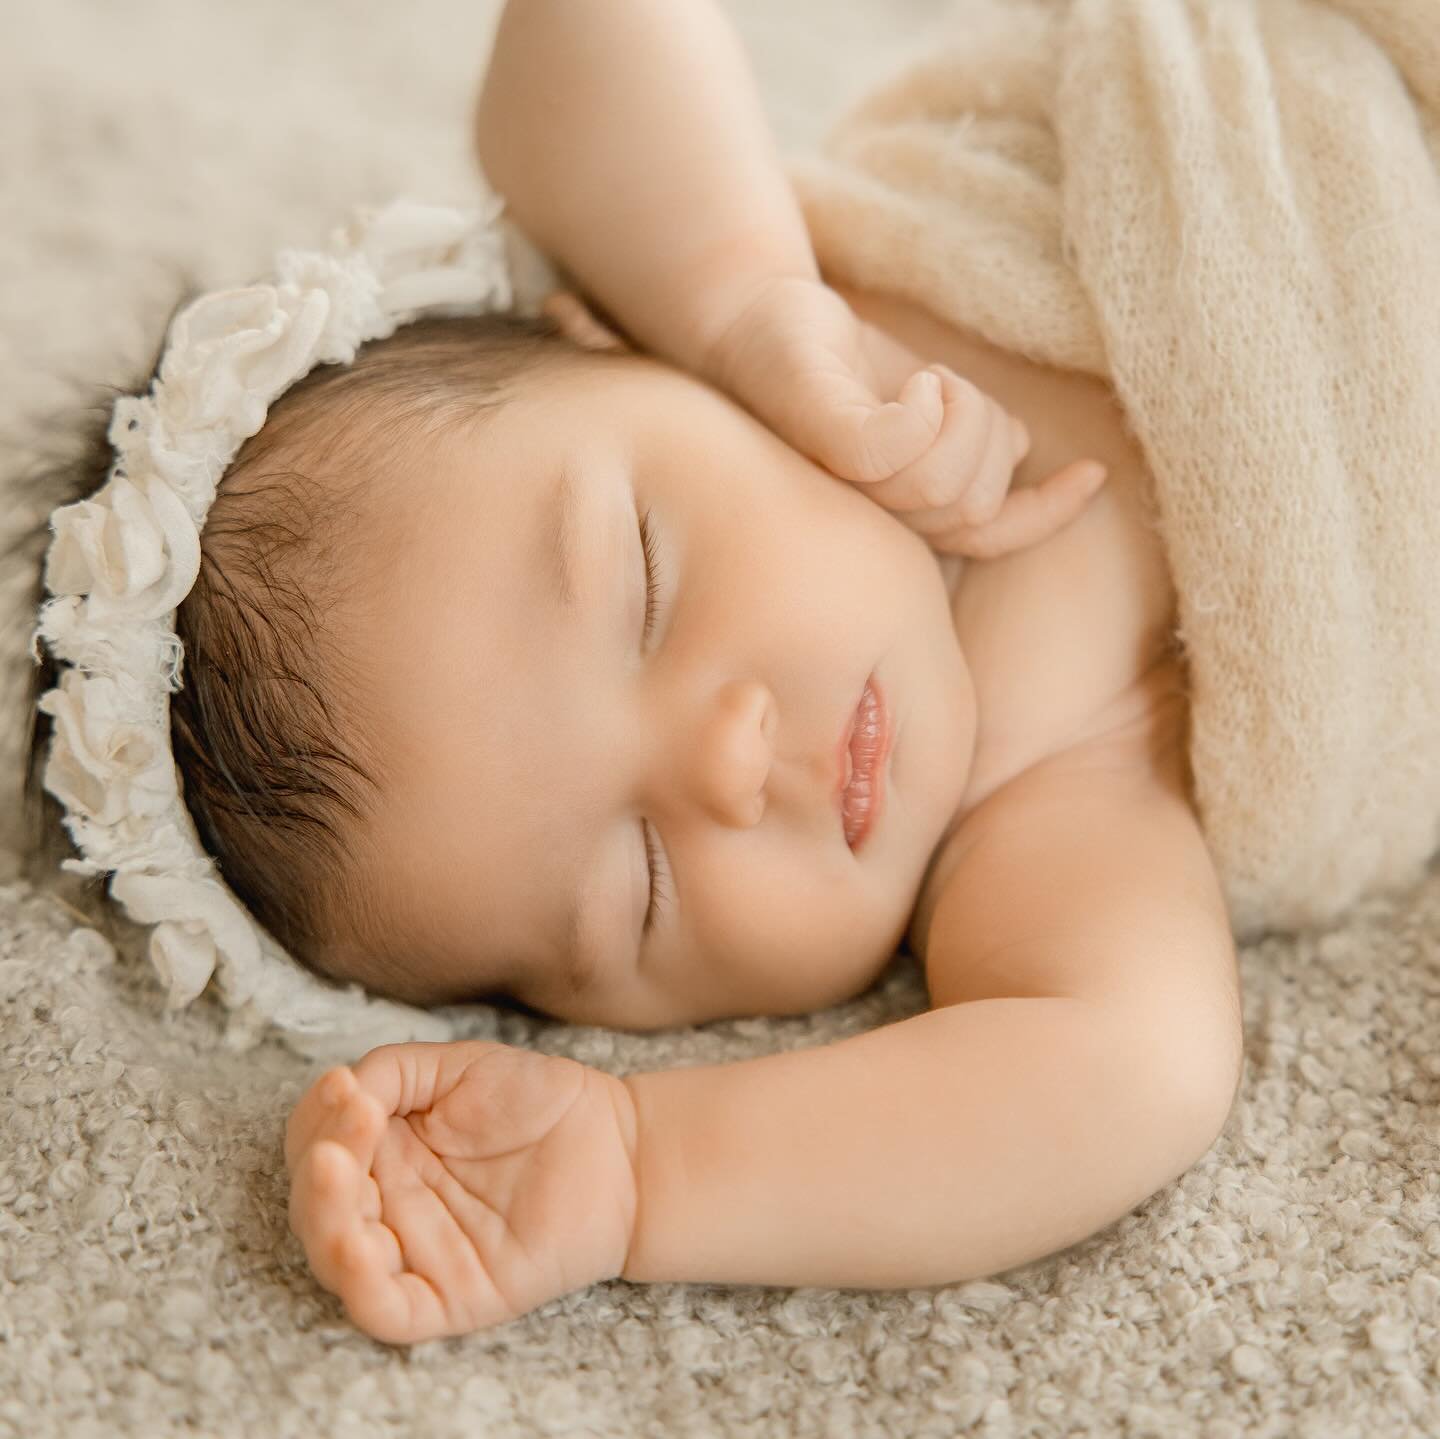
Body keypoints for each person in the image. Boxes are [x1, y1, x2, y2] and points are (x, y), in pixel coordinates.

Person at [274, 0, 1242, 1343]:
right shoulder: (1040, 830)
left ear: (614, 342)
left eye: (648, 592)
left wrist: (739, 303)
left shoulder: (763, 317)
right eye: (639, 889)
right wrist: (637, 1165)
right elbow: (1133, 1074)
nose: (726, 763)